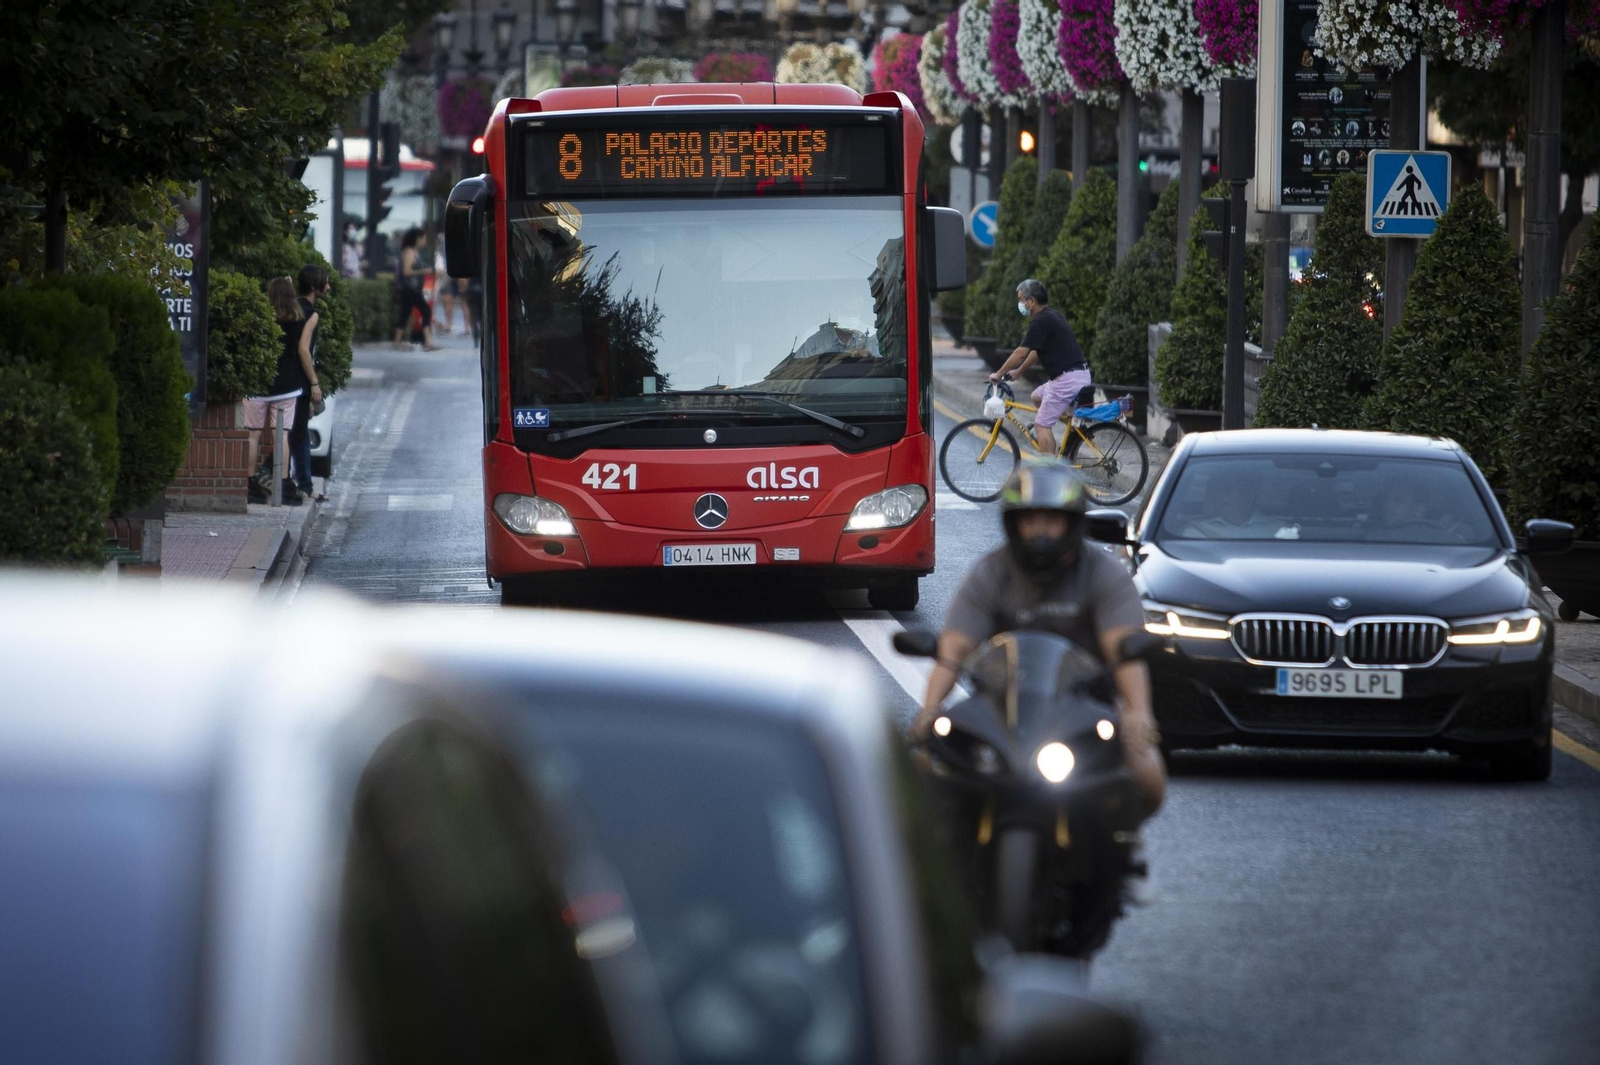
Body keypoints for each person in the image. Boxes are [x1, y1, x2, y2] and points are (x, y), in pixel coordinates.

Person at [910, 459, 1166, 818]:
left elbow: (1122, 648)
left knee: (1148, 778)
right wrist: (930, 708)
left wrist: (1139, 712)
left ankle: (1121, 850)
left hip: (1086, 708)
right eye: (1030, 520)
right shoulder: (991, 571)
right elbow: (955, 647)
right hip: (1001, 710)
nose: (1040, 532)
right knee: (926, 768)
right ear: (1014, 523)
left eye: (1052, 520)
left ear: (1072, 522)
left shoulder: (1104, 573)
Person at [986, 279, 1091, 457]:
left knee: (1041, 424)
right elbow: (1036, 351)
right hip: (1076, 375)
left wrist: (999, 373)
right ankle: (1073, 431)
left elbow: (1021, 352)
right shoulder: (1053, 315)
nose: (1020, 304)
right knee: (1036, 397)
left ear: (1031, 301)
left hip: (1067, 380)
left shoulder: (1040, 321)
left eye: (1021, 300)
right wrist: (1019, 372)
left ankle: (1050, 470)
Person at [247, 277, 311, 505]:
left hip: (258, 383)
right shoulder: (298, 319)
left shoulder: (261, 317)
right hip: (287, 384)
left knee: (252, 434)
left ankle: (249, 484)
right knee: (281, 435)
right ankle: (283, 485)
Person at [290, 264, 330, 502]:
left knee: (297, 431)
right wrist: (314, 382)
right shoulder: (312, 313)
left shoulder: (292, 307)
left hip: (287, 375)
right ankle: (301, 484)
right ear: (315, 286)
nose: (329, 286)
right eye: (325, 281)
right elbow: (304, 350)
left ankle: (304, 483)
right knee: (297, 432)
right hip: (300, 379)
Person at [393, 227, 441, 351]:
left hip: (412, 289)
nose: (424, 241)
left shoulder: (413, 252)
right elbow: (406, 271)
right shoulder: (409, 252)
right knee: (424, 311)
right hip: (409, 289)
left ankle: (398, 342)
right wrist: (424, 271)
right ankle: (427, 342)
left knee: (406, 313)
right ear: (417, 239)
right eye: (423, 238)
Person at [432, 243, 455, 334]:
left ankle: (448, 324)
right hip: (437, 275)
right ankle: (437, 324)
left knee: (447, 301)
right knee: (432, 303)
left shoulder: (441, 246)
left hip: (443, 274)